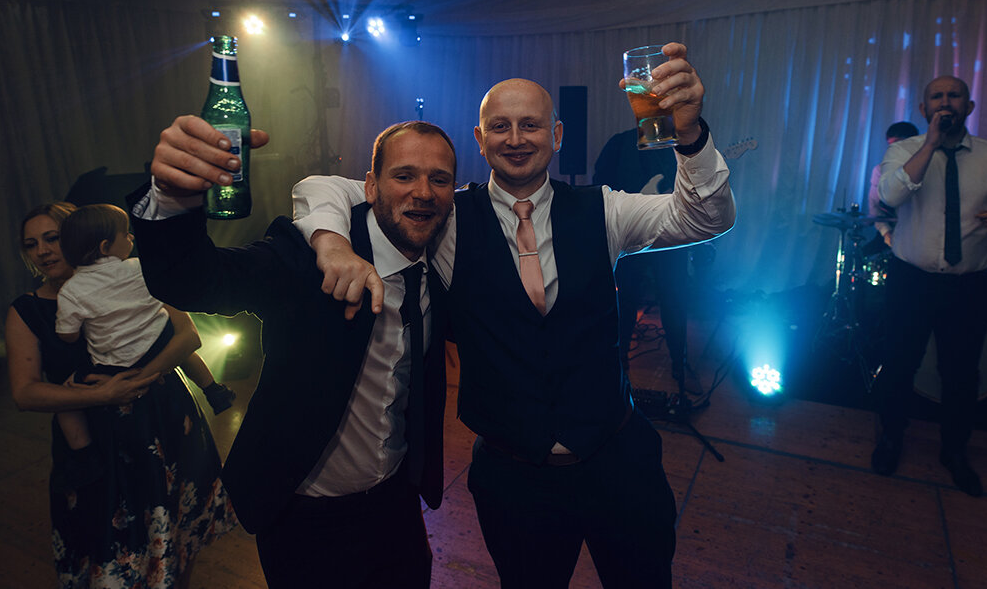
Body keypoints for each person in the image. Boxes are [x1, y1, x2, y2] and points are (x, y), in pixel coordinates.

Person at [293, 42, 736, 587]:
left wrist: (688, 137)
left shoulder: (604, 209)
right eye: (499, 126)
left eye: (531, 125)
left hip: (619, 463)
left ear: (557, 136)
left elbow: (706, 216)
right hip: (514, 479)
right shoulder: (446, 215)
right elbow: (326, 186)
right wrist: (333, 243)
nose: (516, 138)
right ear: (479, 141)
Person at [128, 118, 456, 588]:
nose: (423, 191)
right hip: (305, 513)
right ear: (370, 186)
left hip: (395, 506)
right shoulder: (308, 257)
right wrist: (173, 197)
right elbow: (194, 279)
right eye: (404, 175)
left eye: (438, 179)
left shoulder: (437, 264)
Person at [6, 201, 236, 587]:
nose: (42, 251)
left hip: (166, 420)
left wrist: (140, 377)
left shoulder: (134, 276)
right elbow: (25, 392)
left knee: (177, 534)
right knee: (108, 551)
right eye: (31, 245)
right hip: (96, 444)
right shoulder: (27, 310)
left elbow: (189, 336)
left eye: (52, 238)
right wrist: (103, 395)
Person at [871, 76, 987, 496]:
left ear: (969, 106)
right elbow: (889, 196)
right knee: (899, 364)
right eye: (936, 97)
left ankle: (955, 451)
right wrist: (929, 145)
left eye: (953, 95)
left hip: (968, 284)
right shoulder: (904, 152)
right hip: (911, 280)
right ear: (924, 110)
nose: (946, 102)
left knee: (961, 373)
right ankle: (890, 437)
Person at [51, 203, 236, 490]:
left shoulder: (72, 291)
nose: (132, 239)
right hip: (158, 347)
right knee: (186, 350)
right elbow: (171, 300)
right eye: (126, 234)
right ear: (105, 246)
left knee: (65, 397)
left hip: (115, 368)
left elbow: (67, 334)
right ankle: (214, 389)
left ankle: (83, 453)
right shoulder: (141, 267)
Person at [593, 127, 695, 384]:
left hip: (670, 234)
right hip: (630, 235)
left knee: (674, 299)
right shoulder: (619, 143)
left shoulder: (679, 143)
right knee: (624, 299)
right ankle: (620, 361)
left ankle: (679, 363)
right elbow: (599, 184)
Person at [866, 121, 919, 250]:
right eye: (891, 146)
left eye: (898, 145)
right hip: (890, 233)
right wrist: (886, 232)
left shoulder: (928, 169)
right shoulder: (880, 170)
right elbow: (875, 208)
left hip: (919, 236)